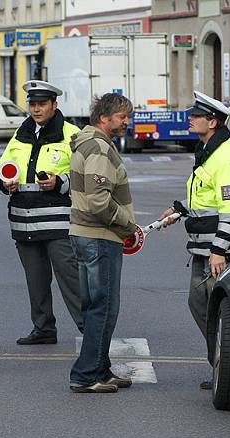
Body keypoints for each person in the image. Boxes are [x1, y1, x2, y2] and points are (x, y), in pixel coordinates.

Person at [157, 91, 230, 390]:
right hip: (203, 249)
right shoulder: (209, 150)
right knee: (200, 305)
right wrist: (179, 209)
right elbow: (206, 197)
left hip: (217, 252)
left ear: (212, 121)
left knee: (219, 312)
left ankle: (228, 369)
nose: (190, 119)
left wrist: (218, 251)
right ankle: (220, 364)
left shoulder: (225, 157)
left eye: (195, 116)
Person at [0, 81, 83, 345]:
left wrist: (60, 182)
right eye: (32, 104)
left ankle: (90, 329)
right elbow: (5, 166)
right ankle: (43, 327)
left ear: (54, 105)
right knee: (36, 281)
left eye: (42, 104)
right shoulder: (20, 134)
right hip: (24, 221)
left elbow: (85, 175)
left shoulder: (72, 134)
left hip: (59, 223)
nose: (36, 109)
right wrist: (4, 182)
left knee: (71, 280)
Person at [68, 93, 136, 393]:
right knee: (103, 307)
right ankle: (85, 374)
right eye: (122, 117)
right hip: (99, 236)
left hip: (86, 234)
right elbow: (98, 201)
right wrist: (126, 222)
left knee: (96, 305)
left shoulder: (89, 143)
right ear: (105, 118)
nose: (126, 122)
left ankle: (101, 369)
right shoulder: (98, 148)